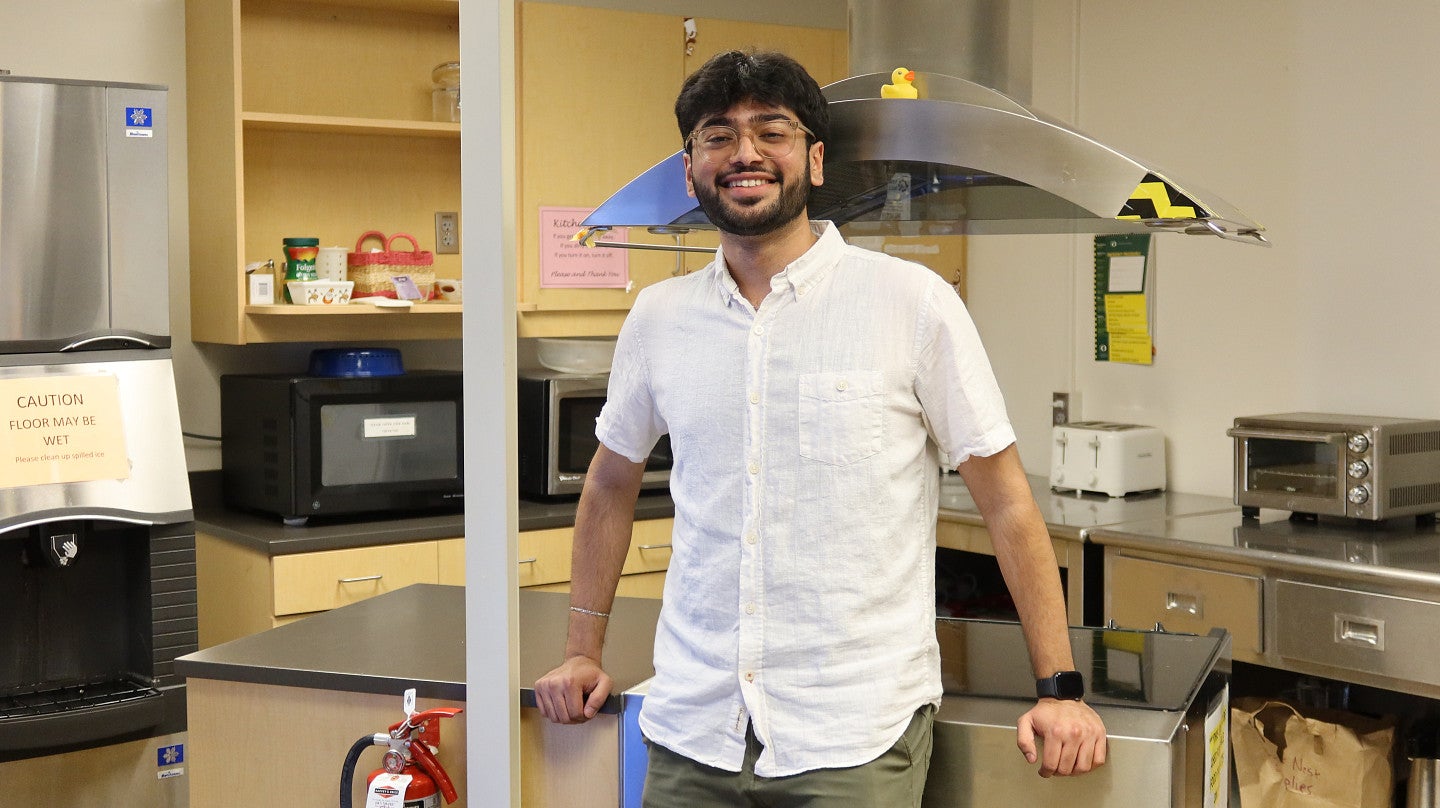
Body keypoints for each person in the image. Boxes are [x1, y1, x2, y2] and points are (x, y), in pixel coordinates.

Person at [534, 49, 1107, 807]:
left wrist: (1059, 686)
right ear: (690, 168)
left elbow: (1006, 503)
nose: (744, 153)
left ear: (815, 158)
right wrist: (582, 652)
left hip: (853, 736)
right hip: (692, 731)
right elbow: (609, 485)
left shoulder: (913, 303)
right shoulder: (659, 318)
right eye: (717, 135)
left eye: (771, 130)